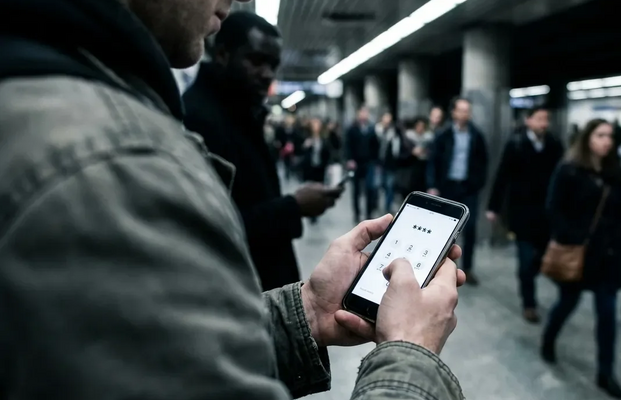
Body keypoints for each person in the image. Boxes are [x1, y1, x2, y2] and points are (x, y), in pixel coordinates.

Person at [0, 1, 468, 399]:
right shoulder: (116, 161)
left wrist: (303, 313)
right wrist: (410, 350)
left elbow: (170, 350)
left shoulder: (47, 98)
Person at [183, 13, 341, 290]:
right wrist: (294, 206)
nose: (267, 74)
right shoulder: (200, 119)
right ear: (222, 55)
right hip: (238, 290)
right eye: (256, 61)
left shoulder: (240, 112)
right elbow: (213, 227)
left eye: (273, 65)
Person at [541, 119, 621, 399]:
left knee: (607, 314)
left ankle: (606, 372)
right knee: (567, 302)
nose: (607, 141)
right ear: (587, 138)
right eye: (601, 135)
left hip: (608, 257)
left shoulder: (615, 172)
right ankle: (549, 338)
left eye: (610, 136)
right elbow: (553, 208)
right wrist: (572, 237)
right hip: (578, 254)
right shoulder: (569, 170)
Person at [486, 107, 565, 323]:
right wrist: (493, 207)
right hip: (522, 213)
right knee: (525, 260)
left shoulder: (554, 144)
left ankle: (532, 274)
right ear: (528, 121)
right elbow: (502, 177)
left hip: (547, 214)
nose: (544, 123)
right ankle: (529, 303)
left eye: (546, 119)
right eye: (539, 119)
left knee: (540, 257)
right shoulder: (516, 144)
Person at [427, 97, 489, 285]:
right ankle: (441, 266)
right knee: (445, 229)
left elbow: (483, 162)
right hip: (447, 187)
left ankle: (467, 269)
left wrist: (478, 183)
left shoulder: (476, 135)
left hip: (468, 188)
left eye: (467, 110)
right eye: (461, 110)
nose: (465, 114)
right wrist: (432, 185)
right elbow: (433, 161)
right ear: (453, 112)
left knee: (470, 229)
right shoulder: (443, 135)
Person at [346, 106, 381, 223]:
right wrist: (349, 159)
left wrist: (375, 161)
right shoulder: (352, 128)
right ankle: (356, 213)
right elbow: (348, 145)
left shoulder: (371, 129)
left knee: (369, 189)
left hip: (369, 162)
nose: (364, 115)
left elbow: (376, 146)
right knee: (356, 190)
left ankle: (368, 212)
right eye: (362, 113)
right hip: (356, 163)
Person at [376, 111, 407, 213]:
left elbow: (398, 148)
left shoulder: (394, 133)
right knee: (380, 185)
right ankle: (377, 204)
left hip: (391, 165)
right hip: (380, 164)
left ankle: (387, 206)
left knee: (389, 186)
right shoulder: (378, 130)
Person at [400, 117, 436, 198]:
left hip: (423, 167)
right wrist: (412, 152)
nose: (420, 128)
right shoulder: (408, 137)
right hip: (411, 167)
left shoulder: (428, 138)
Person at [302, 117, 332, 184]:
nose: (315, 127)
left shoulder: (324, 138)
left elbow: (327, 152)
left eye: (317, 124)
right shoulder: (306, 137)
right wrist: (305, 146)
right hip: (309, 167)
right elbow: (300, 151)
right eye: (314, 125)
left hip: (321, 166)